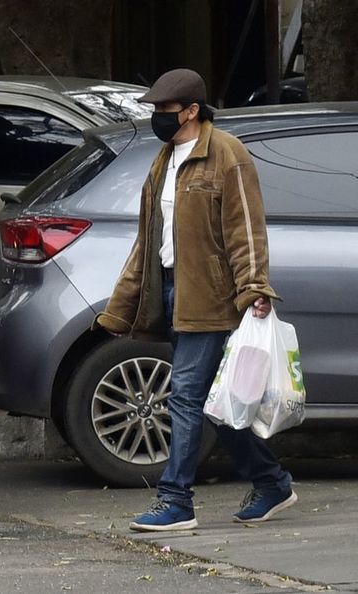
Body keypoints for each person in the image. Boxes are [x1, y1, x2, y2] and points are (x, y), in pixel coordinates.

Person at [94, 69, 297, 532]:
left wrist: (254, 289)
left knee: (183, 396)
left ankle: (176, 500)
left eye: (164, 111)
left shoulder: (226, 153)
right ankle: (272, 483)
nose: (157, 119)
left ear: (190, 110)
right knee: (213, 402)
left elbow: (246, 230)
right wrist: (121, 305)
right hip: (170, 290)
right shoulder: (163, 160)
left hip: (210, 297)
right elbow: (148, 242)